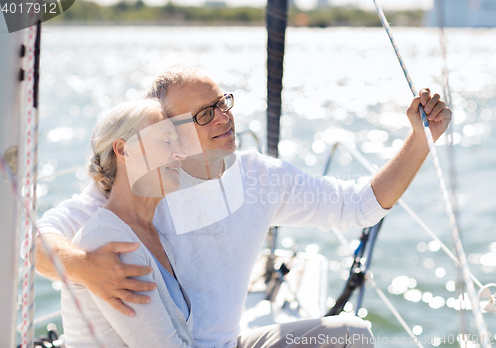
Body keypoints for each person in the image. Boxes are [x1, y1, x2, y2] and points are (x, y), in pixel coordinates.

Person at [32, 68, 452, 348]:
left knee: (352, 336)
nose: (224, 118)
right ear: (166, 129)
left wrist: (420, 139)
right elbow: (32, 246)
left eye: (223, 103)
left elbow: (357, 206)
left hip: (233, 343)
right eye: (204, 115)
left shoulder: (258, 178)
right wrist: (82, 265)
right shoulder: (133, 194)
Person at [59, 99, 196, 347]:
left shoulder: (155, 235)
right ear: (123, 150)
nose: (180, 153)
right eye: (166, 141)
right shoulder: (110, 240)